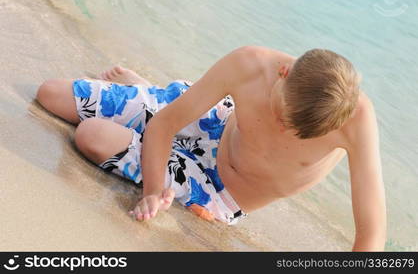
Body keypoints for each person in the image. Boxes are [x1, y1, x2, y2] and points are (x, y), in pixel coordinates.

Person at [36, 46, 386, 251]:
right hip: (209, 121)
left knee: (92, 135)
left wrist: (155, 191)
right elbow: (166, 125)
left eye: (296, 132)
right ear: (283, 72)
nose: (281, 129)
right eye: (281, 115)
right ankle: (158, 93)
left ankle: (153, 94)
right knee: (51, 93)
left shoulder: (356, 122)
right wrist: (154, 191)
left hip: (217, 192)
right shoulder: (251, 65)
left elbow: (370, 235)